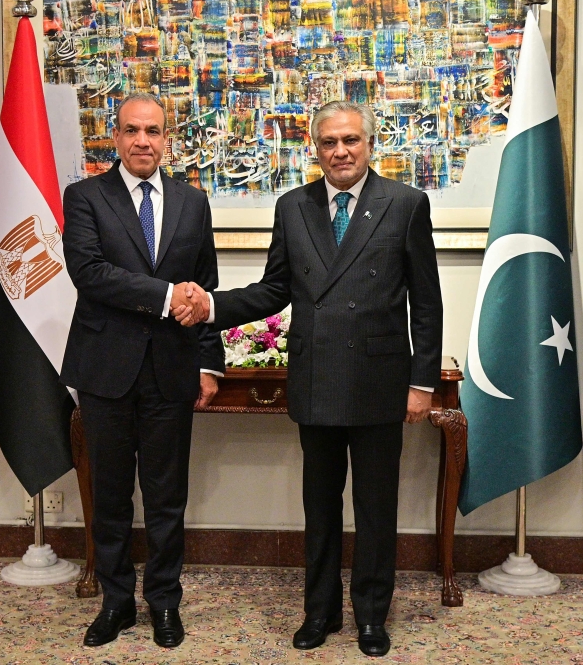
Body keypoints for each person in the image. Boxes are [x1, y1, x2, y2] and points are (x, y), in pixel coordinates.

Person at [176, 101, 443, 657]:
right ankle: (318, 613)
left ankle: (371, 615)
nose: (340, 152)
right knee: (319, 507)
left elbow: (427, 303)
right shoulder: (292, 206)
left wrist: (422, 382)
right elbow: (275, 290)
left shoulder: (406, 204)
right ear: (314, 149)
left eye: (350, 141)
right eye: (329, 143)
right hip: (317, 379)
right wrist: (211, 307)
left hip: (378, 381)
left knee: (375, 508)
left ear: (369, 144)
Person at [61, 93, 223, 649]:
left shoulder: (192, 202)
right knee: (109, 495)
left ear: (167, 137)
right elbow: (90, 273)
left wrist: (209, 362)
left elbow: (204, 289)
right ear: (115, 136)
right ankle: (115, 602)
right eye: (131, 130)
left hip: (172, 371)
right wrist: (164, 294)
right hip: (105, 369)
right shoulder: (85, 197)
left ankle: (164, 603)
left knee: (166, 496)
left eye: (153, 131)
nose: (142, 141)